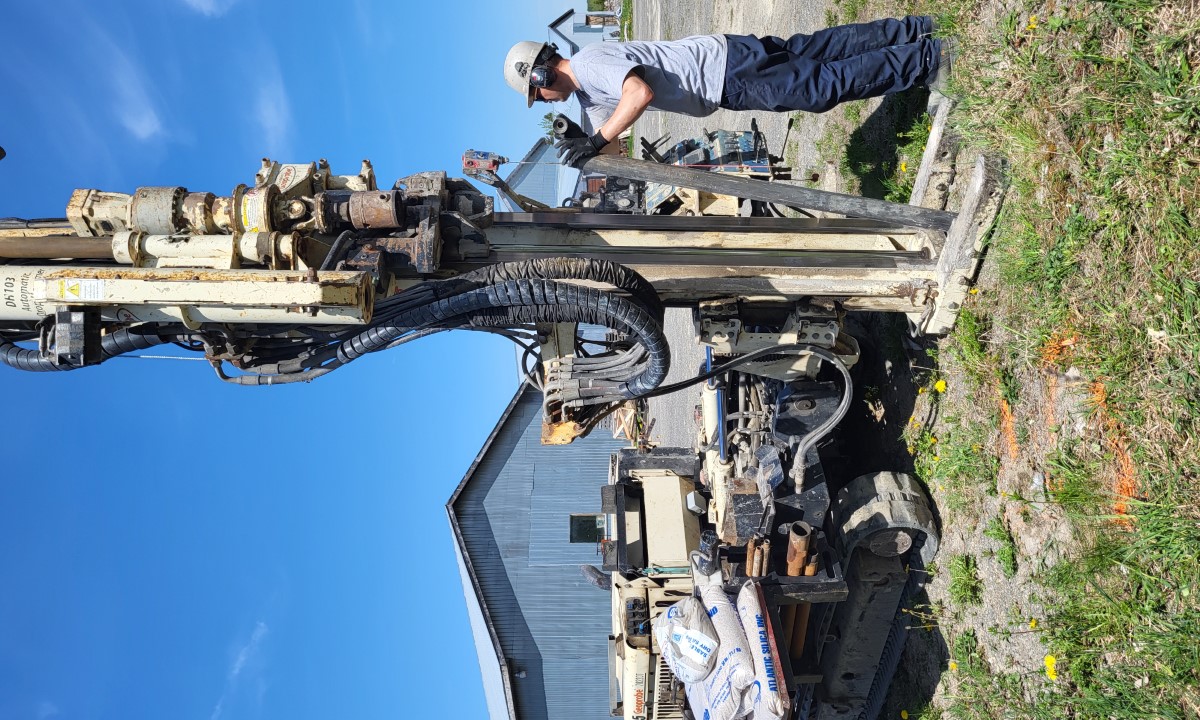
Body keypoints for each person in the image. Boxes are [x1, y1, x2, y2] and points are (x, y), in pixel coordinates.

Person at [503, 16, 949, 167]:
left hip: (722, 74)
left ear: (541, 76)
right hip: (723, 61)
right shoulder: (589, 94)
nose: (541, 103)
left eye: (535, 95)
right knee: (817, 51)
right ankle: (914, 32)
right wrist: (590, 147)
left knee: (817, 87)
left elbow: (638, 95)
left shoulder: (588, 64)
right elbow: (617, 147)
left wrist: (596, 139)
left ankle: (929, 60)